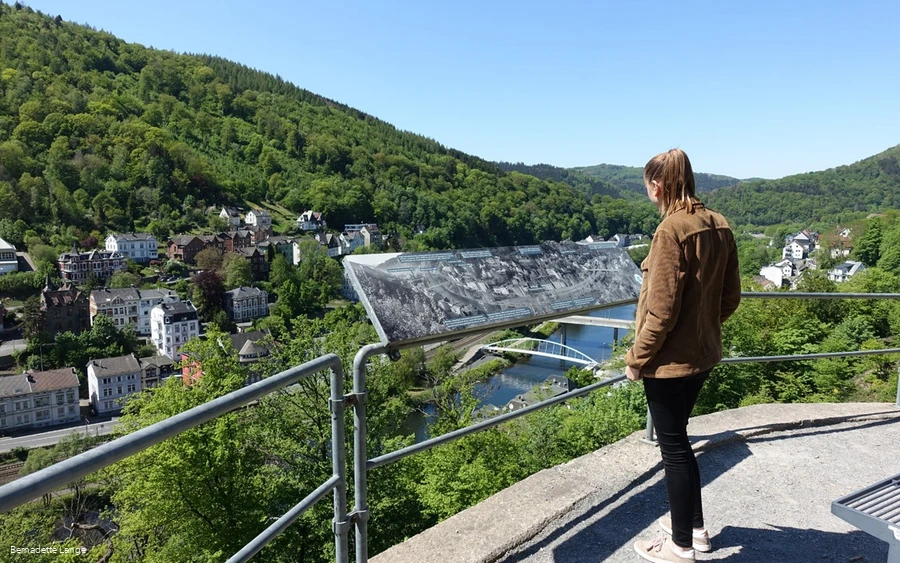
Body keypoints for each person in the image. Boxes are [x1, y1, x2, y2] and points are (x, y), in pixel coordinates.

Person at [625, 148, 741, 563]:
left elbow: (660, 310)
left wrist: (637, 359)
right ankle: (695, 530)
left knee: (673, 450)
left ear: (657, 185)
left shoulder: (670, 231)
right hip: (703, 355)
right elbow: (730, 299)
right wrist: (702, 330)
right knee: (681, 444)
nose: (648, 194)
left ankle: (679, 548)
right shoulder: (719, 224)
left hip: (669, 363)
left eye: (647, 187)